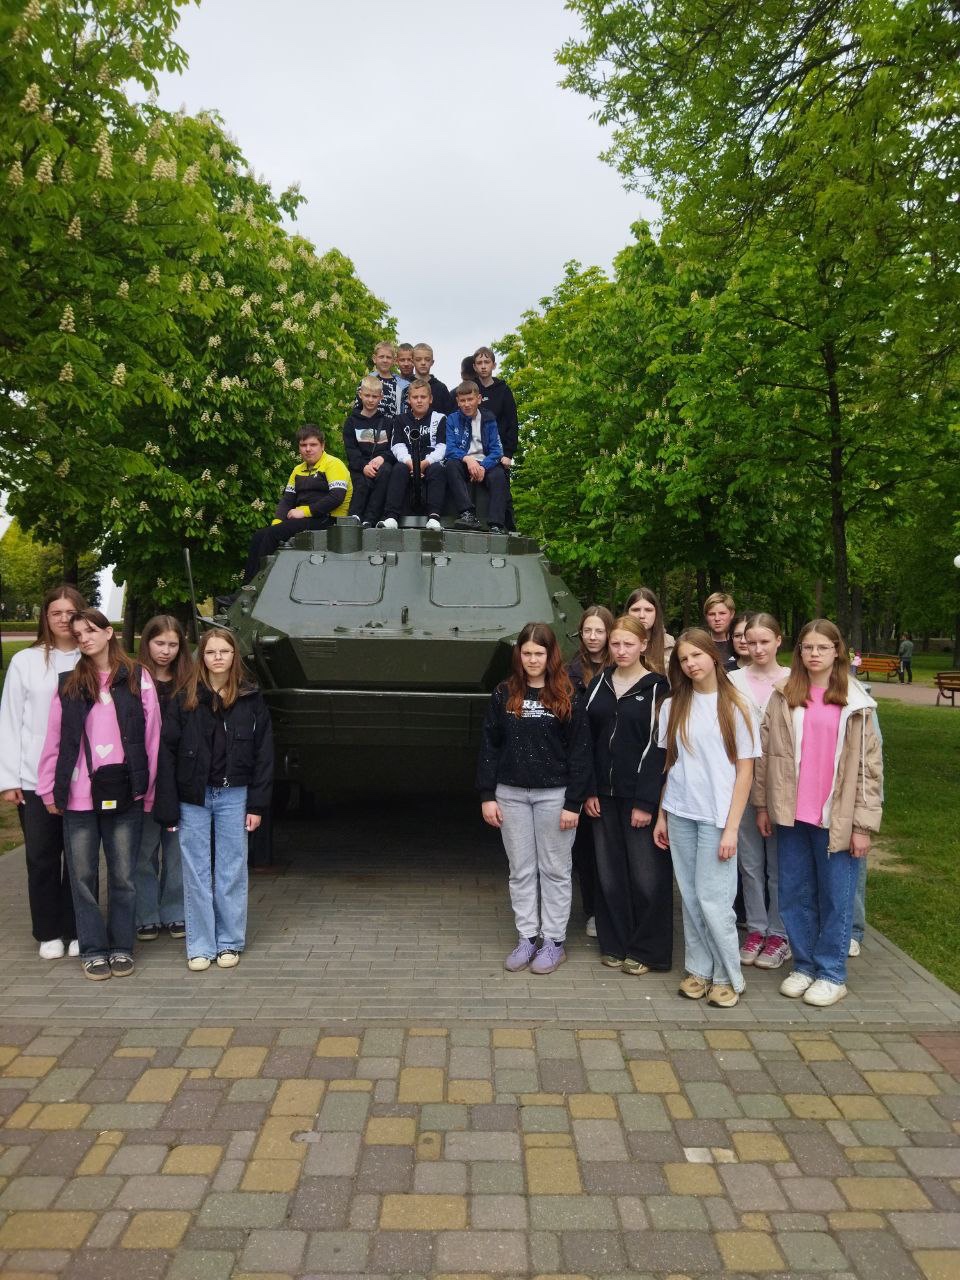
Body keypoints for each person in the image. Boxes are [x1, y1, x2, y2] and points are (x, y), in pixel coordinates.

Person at [753, 618, 883, 1007]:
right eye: (807, 647)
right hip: (792, 814)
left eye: (822, 648)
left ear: (837, 651)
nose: (814, 654)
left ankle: (831, 973)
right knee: (794, 894)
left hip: (836, 817)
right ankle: (805, 964)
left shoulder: (857, 703)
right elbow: (765, 756)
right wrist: (762, 805)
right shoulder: (784, 695)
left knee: (836, 898)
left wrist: (862, 825)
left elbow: (869, 770)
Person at [36, 609, 161, 981]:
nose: (84, 639)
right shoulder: (69, 684)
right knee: (82, 878)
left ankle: (122, 946)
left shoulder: (138, 678)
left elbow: (152, 738)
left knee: (124, 876)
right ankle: (92, 949)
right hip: (78, 798)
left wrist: (148, 790)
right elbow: (54, 740)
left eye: (90, 631)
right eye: (78, 635)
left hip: (125, 795)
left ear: (109, 633)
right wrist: (47, 788)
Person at [154, 628, 273, 972]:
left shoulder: (250, 697)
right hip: (194, 795)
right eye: (210, 652)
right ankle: (201, 945)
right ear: (201, 657)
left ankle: (229, 941)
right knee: (196, 871)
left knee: (231, 869)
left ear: (235, 656)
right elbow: (167, 751)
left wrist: (257, 804)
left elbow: (264, 753)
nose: (217, 657)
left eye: (224, 651)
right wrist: (169, 805)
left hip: (235, 794)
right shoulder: (185, 697)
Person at [653, 628, 760, 1007]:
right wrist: (663, 815)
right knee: (691, 897)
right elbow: (671, 764)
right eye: (683, 659)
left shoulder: (738, 705)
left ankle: (728, 976)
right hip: (681, 812)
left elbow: (745, 773)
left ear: (713, 656)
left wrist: (731, 829)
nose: (690, 664)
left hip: (718, 819)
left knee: (715, 901)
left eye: (696, 655)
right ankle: (698, 970)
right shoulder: (672, 706)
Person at [477, 622, 591, 975]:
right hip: (510, 795)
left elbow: (581, 751)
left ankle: (553, 941)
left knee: (555, 870)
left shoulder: (568, 694)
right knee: (521, 870)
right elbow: (490, 745)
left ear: (550, 654)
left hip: (554, 796)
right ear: (518, 655)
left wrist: (574, 802)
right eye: (526, 653)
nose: (532, 659)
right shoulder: (504, 693)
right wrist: (487, 795)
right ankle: (527, 936)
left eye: (539, 653)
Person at [0, 584, 86, 960]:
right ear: (45, 618)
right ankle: (49, 931)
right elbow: (10, 722)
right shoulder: (26, 661)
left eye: (71, 613)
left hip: (83, 779)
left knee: (80, 859)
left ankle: (77, 927)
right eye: (56, 613)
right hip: (35, 779)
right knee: (41, 857)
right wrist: (9, 780)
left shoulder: (91, 658)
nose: (64, 619)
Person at [584, 615, 671, 975]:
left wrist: (646, 802)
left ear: (643, 645)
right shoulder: (599, 683)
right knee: (609, 873)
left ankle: (649, 950)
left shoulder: (658, 688)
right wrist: (588, 789)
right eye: (616, 644)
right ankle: (615, 943)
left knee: (646, 876)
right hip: (602, 796)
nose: (621, 651)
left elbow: (660, 748)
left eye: (628, 644)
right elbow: (586, 740)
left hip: (638, 798)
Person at [728, 613, 791, 969]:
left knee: (778, 865)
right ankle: (756, 928)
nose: (757, 648)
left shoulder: (793, 680)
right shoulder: (733, 680)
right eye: (751, 642)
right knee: (750, 862)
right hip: (744, 781)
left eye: (765, 641)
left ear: (778, 640)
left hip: (781, 784)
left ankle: (779, 933)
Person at [134, 615, 191, 943]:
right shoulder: (132, 679)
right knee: (143, 851)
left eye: (173, 644)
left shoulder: (188, 681)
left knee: (176, 852)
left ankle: (174, 910)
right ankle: (146, 913)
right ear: (147, 642)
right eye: (159, 643)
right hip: (144, 779)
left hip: (178, 779)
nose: (166, 651)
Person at [241, 426, 351, 586]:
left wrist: (305, 511)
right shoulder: (297, 469)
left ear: (322, 446)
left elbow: (336, 497)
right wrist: (277, 522)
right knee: (260, 535)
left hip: (330, 520)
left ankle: (254, 587)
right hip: (304, 520)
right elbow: (287, 500)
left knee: (272, 534)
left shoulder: (334, 464)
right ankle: (246, 588)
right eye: (303, 445)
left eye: (313, 445)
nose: (308, 449)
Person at [567, 606, 615, 938]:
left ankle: (615, 909)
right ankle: (593, 910)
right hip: (581, 769)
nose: (593, 637)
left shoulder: (621, 669)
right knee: (585, 849)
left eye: (599, 631)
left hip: (613, 769)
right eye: (588, 631)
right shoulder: (569, 672)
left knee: (611, 848)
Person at [379, 378, 447, 530]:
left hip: (431, 461)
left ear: (430, 399)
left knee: (438, 470)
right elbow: (397, 445)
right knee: (398, 469)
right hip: (408, 461)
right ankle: (391, 517)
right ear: (409, 400)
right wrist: (410, 463)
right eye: (415, 397)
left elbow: (442, 446)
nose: (419, 401)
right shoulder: (400, 419)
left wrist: (425, 463)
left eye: (423, 397)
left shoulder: (440, 418)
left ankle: (434, 517)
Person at [445, 380, 510, 533]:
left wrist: (483, 467)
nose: (467, 404)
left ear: (479, 399)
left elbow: (496, 450)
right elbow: (450, 449)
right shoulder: (452, 419)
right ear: (458, 402)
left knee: (499, 475)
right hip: (463, 461)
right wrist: (468, 459)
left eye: (470, 399)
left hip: (485, 462)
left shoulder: (489, 418)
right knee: (450, 465)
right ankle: (467, 513)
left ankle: (496, 524)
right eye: (463, 400)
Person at [343, 376, 393, 527]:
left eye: (374, 396)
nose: (370, 400)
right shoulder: (351, 422)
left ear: (381, 397)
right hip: (359, 466)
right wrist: (363, 466)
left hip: (381, 464)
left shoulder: (388, 422)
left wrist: (383, 458)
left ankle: (370, 519)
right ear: (360, 394)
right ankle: (355, 516)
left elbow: (394, 448)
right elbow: (351, 450)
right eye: (367, 395)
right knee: (361, 483)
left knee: (385, 473)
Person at [472, 347, 519, 469]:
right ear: (474, 367)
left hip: (499, 454)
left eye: (487, 362)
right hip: (473, 453)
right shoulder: (470, 390)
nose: (483, 366)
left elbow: (512, 422)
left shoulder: (503, 390)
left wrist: (508, 454)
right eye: (479, 363)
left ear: (494, 365)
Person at [625, 587, 675, 673]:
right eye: (636, 610)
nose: (642, 615)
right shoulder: (615, 643)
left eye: (648, 610)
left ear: (656, 613)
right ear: (627, 613)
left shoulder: (670, 645)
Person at [355, 340, 409, 417]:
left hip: (393, 424)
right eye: (381, 357)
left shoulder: (402, 386)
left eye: (388, 357)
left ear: (394, 360)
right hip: (369, 423)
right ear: (374, 358)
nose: (385, 360)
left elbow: (405, 413)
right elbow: (357, 409)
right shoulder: (366, 382)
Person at [412, 343, 454, 414]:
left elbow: (449, 414)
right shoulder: (406, 385)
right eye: (418, 359)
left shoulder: (441, 388)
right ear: (412, 361)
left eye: (427, 359)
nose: (423, 363)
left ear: (432, 362)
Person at [702, 592, 738, 670]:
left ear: (732, 614)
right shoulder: (701, 643)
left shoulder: (740, 642)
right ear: (706, 616)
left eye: (722, 613)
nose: (717, 618)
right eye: (712, 614)